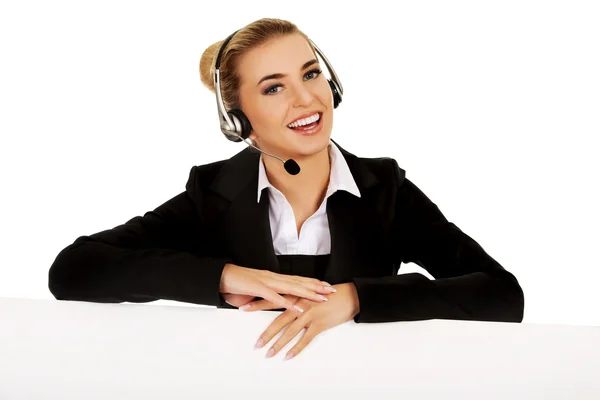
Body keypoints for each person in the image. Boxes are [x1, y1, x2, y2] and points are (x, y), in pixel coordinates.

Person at [48, 18, 524, 360]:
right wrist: (228, 277)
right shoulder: (212, 193)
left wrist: (358, 297)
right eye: (273, 88)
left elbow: (503, 296)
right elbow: (73, 271)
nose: (307, 98)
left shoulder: (384, 189)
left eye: (311, 74)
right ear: (238, 121)